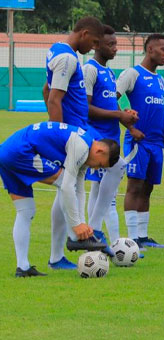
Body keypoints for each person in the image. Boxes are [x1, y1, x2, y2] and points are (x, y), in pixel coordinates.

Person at [2, 122, 119, 276]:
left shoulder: (87, 147)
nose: (96, 168)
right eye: (99, 164)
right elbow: (67, 187)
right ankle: (74, 237)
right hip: (20, 152)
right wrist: (77, 226)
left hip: (6, 153)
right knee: (65, 181)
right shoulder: (81, 146)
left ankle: (22, 268)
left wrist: (82, 224)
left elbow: (79, 188)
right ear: (99, 151)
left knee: (26, 210)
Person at [43, 16, 105, 269]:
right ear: (84, 33)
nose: (93, 47)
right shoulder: (68, 58)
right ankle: (74, 238)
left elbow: (46, 90)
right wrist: (60, 134)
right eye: (94, 41)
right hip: (71, 135)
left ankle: (65, 247)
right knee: (73, 186)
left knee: (69, 188)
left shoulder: (58, 51)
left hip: (76, 132)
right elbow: (54, 99)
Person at [83, 25, 139, 245]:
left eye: (116, 44)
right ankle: (111, 240)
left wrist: (126, 118)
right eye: (111, 44)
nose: (115, 48)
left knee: (99, 190)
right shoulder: (90, 70)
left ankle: (98, 234)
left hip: (111, 136)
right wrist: (118, 114)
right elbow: (85, 107)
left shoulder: (108, 71)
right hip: (97, 137)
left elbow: (110, 103)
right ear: (96, 45)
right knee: (109, 187)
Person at [117, 33, 164, 249]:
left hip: (157, 142)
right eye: (163, 50)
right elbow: (112, 99)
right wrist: (130, 127)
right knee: (134, 187)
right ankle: (131, 238)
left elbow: (159, 109)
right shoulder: (133, 74)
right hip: (138, 141)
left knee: (148, 188)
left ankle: (143, 236)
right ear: (150, 50)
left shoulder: (159, 79)